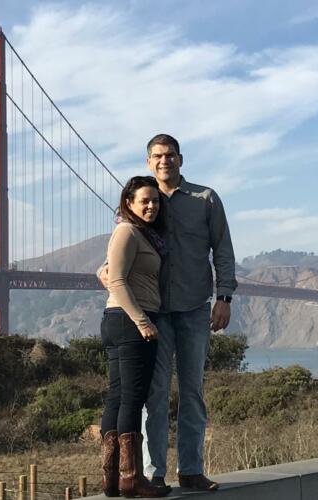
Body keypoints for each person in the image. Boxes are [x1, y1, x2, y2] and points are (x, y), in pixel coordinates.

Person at [100, 134, 237, 492]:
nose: (165, 161)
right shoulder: (144, 202)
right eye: (158, 156)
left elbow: (222, 248)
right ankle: (153, 472)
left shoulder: (206, 199)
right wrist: (109, 277)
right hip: (155, 313)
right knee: (154, 395)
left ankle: (191, 470)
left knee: (193, 391)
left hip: (194, 308)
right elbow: (117, 255)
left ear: (181, 159)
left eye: (171, 155)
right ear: (149, 162)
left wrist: (225, 297)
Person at [100, 176, 168, 498]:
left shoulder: (138, 233)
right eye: (145, 200)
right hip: (130, 322)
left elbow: (108, 273)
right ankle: (132, 479)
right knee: (131, 400)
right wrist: (143, 322)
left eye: (155, 201)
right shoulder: (127, 231)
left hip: (119, 321)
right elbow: (117, 282)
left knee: (117, 397)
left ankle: (112, 479)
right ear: (128, 202)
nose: (151, 206)